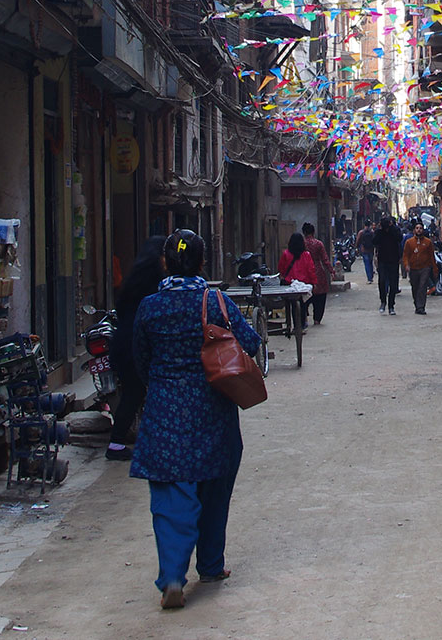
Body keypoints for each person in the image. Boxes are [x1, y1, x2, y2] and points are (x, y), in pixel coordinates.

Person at [131, 229, 265, 609]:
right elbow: (251, 343)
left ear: (165, 263)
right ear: (202, 263)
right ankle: (210, 564)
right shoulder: (216, 302)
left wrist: (162, 385)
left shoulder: (150, 307)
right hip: (213, 413)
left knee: (171, 496)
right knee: (214, 490)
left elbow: (140, 361)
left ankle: (173, 575)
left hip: (164, 415)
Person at [106, 237, 168, 462]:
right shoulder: (154, 284)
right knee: (135, 392)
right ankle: (116, 444)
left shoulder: (135, 279)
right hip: (134, 345)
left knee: (135, 393)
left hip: (124, 342)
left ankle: (122, 441)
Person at [277, 231, 322, 333]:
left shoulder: (286, 254)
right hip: (303, 284)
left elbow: (281, 269)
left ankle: (291, 325)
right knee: (302, 304)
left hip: (290, 284)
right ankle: (301, 325)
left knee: (291, 305)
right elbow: (311, 270)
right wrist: (314, 282)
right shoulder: (306, 255)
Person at [299, 222, 332, 325]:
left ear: (304, 232)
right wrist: (331, 270)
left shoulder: (301, 244)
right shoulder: (318, 244)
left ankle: (303, 319)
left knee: (304, 298)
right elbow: (325, 259)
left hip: (304, 273)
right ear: (313, 232)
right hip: (318, 271)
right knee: (320, 298)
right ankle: (317, 319)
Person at [372, 216, 405, 315]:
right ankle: (383, 302)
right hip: (382, 261)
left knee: (393, 284)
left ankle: (391, 305)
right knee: (382, 281)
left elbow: (399, 238)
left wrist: (392, 229)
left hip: (393, 261)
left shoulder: (395, 231)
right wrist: (381, 231)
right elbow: (374, 241)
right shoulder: (379, 232)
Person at [403, 223, 434, 315]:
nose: (419, 230)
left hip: (425, 268)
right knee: (415, 287)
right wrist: (406, 265)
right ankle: (417, 304)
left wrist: (434, 268)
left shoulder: (428, 242)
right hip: (413, 268)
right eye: (417, 228)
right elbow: (405, 255)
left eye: (420, 228)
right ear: (414, 230)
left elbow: (431, 256)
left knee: (422, 286)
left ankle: (421, 307)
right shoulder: (409, 242)